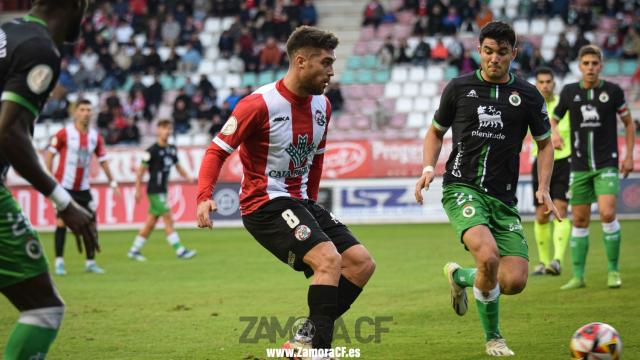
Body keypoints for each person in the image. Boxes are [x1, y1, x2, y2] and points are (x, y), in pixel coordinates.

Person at [196, 26, 376, 354]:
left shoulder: (323, 106)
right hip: (263, 204)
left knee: (361, 263)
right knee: (328, 260)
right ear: (301, 61)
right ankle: (317, 349)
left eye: (332, 63)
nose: (331, 71)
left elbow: (316, 161)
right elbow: (216, 150)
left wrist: (311, 204)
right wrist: (204, 196)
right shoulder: (258, 105)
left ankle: (303, 339)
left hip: (298, 201)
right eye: (325, 63)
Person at [414, 21, 558, 356]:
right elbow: (435, 132)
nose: (494, 59)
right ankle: (494, 337)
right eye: (488, 51)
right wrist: (426, 168)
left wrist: (544, 187)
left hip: (503, 198)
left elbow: (545, 144)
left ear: (514, 54)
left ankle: (460, 276)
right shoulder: (459, 88)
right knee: (489, 256)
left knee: (513, 281)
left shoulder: (528, 95)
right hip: (462, 187)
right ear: (479, 50)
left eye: (502, 53)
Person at [0, 1, 97, 359]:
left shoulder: (6, 33)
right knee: (43, 308)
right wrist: (64, 202)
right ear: (73, 7)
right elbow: (9, 132)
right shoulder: (40, 48)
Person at [552, 45, 635, 290]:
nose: (590, 68)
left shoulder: (613, 91)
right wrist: (554, 133)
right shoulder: (569, 92)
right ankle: (578, 276)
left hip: (606, 163)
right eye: (586, 63)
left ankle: (613, 271)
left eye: (594, 64)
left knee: (608, 213)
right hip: (578, 166)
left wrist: (629, 155)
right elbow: (553, 119)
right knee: (579, 220)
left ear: (601, 66)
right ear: (580, 66)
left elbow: (629, 124)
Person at [45, 99, 120, 275]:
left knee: (90, 223)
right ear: (76, 112)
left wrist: (113, 182)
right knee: (62, 222)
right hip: (64, 187)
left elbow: (103, 161)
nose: (86, 112)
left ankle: (90, 262)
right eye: (82, 109)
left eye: (89, 109)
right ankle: (59, 262)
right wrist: (48, 182)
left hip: (83, 188)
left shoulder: (95, 137)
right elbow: (49, 155)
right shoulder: (64, 133)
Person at [128, 119, 196, 261]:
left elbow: (178, 166)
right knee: (168, 217)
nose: (167, 131)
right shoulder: (151, 151)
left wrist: (188, 177)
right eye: (164, 128)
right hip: (154, 190)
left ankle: (134, 250)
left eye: (169, 128)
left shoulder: (171, 149)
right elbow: (140, 172)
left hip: (163, 190)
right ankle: (180, 250)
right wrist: (137, 190)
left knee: (151, 223)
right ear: (158, 130)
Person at [530, 67, 572, 276]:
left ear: (553, 83)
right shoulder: (531, 105)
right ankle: (543, 262)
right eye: (541, 82)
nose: (545, 85)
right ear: (536, 84)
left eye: (548, 81)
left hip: (564, 161)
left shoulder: (563, 106)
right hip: (538, 164)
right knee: (540, 215)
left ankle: (557, 260)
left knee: (561, 210)